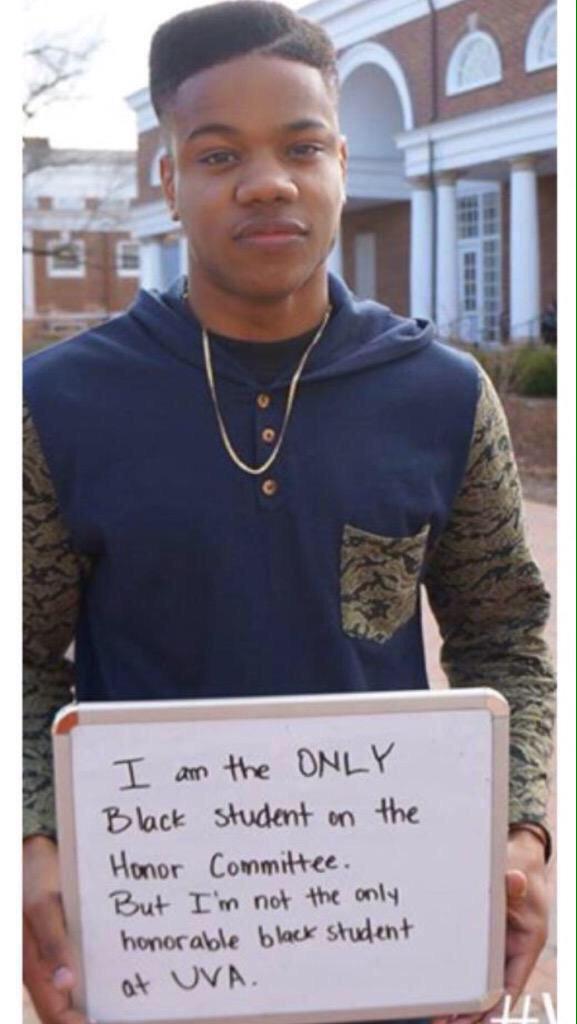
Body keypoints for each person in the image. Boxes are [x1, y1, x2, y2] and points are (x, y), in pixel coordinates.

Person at [23, 4, 555, 1024]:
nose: (267, 181)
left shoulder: (441, 396)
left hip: (385, 939)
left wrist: (519, 834)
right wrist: (34, 836)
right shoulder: (55, 407)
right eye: (218, 153)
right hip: (154, 942)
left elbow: (504, 640)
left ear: (343, 163)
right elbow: (24, 657)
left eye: (302, 146)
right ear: (168, 179)